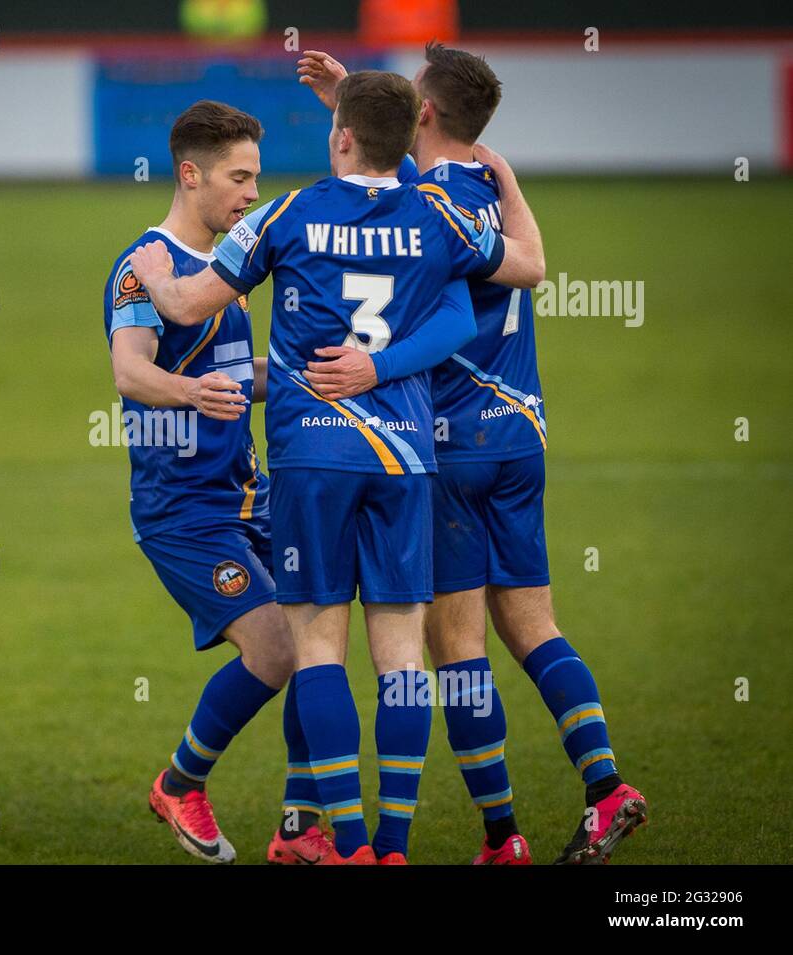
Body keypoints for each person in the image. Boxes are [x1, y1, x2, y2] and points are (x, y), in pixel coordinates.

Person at [129, 70, 544, 863]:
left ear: (341, 135)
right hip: (406, 459)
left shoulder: (290, 212)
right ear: (407, 140)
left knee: (317, 649)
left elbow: (185, 306)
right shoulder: (436, 215)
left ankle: (345, 842)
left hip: (312, 456)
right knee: (401, 655)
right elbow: (503, 282)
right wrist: (383, 370)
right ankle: (392, 846)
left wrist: (151, 272)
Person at [298, 44, 648, 865]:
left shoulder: (423, 197)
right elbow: (523, 256)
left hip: (451, 444)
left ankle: (501, 835)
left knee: (457, 651)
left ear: (423, 112)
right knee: (535, 625)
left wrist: (345, 99)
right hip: (521, 432)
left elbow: (380, 169)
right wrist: (346, 94)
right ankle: (606, 788)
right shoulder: (489, 189)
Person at [106, 100, 334, 865]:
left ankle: (302, 828)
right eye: (239, 177)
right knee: (274, 650)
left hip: (251, 495)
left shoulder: (227, 270)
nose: (251, 193)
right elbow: (131, 371)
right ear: (190, 173)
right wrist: (190, 391)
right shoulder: (144, 265)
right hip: (182, 510)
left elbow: (238, 375)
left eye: (257, 178)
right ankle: (180, 782)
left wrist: (319, 378)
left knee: (317, 643)